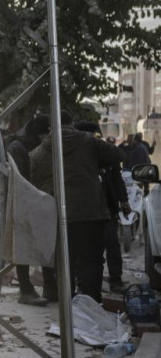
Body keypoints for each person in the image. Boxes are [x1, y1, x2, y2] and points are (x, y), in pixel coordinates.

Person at [30, 112, 124, 303]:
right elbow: (117, 155)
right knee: (92, 260)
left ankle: (67, 307)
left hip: (58, 215)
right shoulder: (89, 142)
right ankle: (90, 304)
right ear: (72, 124)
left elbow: (34, 182)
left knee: (65, 263)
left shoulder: (39, 152)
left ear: (51, 127)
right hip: (90, 212)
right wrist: (95, 163)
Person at [75, 123, 129, 293]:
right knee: (85, 251)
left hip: (107, 209)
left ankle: (115, 280)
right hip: (84, 211)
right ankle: (83, 284)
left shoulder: (105, 152)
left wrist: (124, 200)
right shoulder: (76, 154)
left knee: (112, 245)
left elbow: (117, 177)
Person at [6, 115, 51, 306]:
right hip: (23, 201)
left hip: (35, 201)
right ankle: (26, 289)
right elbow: (20, 179)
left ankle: (48, 287)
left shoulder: (28, 144)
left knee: (43, 244)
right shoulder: (18, 147)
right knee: (23, 245)